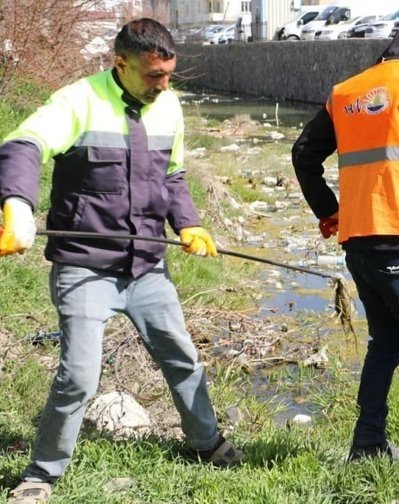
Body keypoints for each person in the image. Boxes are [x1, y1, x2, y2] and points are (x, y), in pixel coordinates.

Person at [0, 18, 242, 503]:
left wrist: (189, 223)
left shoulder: (168, 105)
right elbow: (22, 146)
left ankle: (205, 440)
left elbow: (172, 176)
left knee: (182, 357)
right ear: (121, 63)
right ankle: (41, 474)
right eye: (154, 76)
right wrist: (17, 205)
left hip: (147, 264)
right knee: (78, 375)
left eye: (168, 75)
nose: (164, 85)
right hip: (85, 266)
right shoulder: (78, 101)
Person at [292, 18, 399, 486]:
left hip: (360, 244)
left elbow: (303, 155)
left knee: (384, 344)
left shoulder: (345, 92)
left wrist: (330, 213)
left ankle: (367, 448)